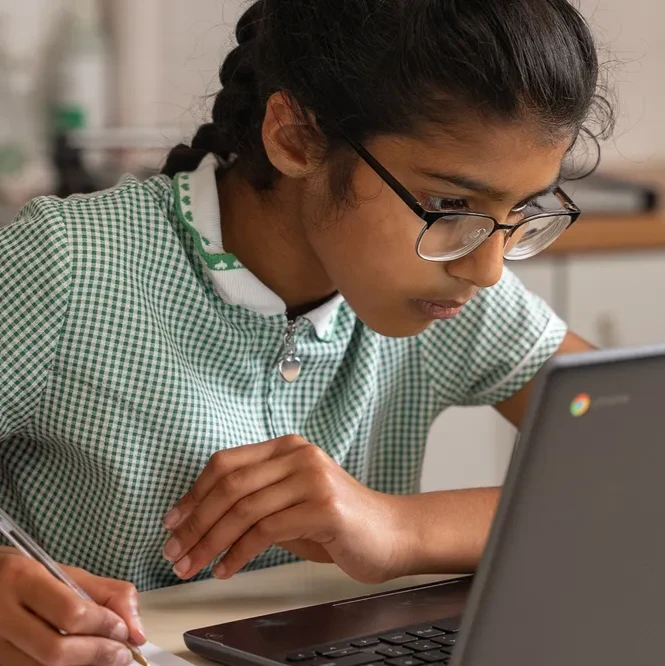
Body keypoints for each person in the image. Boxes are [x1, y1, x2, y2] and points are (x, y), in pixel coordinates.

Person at [0, 1, 613, 665]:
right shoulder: (69, 264)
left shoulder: (447, 286)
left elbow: (635, 467)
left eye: (520, 210)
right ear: (295, 138)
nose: (487, 269)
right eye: (446, 206)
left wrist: (398, 529)